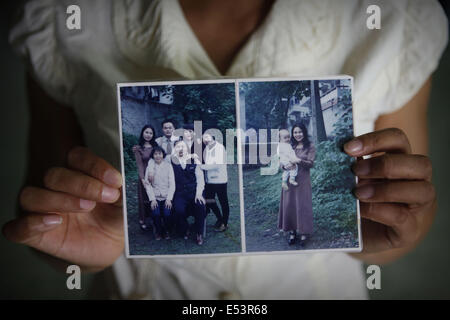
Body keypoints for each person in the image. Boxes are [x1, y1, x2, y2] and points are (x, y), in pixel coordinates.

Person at [4, 0, 447, 299]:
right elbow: (50, 220)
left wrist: (388, 230)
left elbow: (408, 207)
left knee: (255, 210)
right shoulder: (65, 17)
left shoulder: (396, 15)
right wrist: (71, 243)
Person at [278, 123, 315, 246]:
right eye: (295, 132)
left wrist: (298, 161)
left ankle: (304, 233)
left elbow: (310, 163)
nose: (297, 134)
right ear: (292, 134)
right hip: (289, 179)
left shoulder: (309, 146)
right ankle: (292, 232)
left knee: (302, 205)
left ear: (304, 132)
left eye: (300, 132)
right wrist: (284, 165)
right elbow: (281, 160)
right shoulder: (289, 145)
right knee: (290, 205)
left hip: (303, 179)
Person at [171, 140, 207, 245]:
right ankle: (185, 228)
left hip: (194, 192)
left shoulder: (194, 160)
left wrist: (199, 194)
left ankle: (199, 233)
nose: (181, 149)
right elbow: (157, 158)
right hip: (180, 193)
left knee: (200, 206)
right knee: (178, 210)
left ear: (187, 148)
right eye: (178, 147)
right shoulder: (171, 160)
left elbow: (200, 179)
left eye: (183, 146)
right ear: (174, 150)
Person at [144, 146, 175, 240]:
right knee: (156, 213)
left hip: (166, 196)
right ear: (153, 156)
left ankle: (166, 231)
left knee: (167, 214)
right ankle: (158, 231)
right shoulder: (150, 168)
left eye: (160, 154)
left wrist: (169, 199)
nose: (158, 156)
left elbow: (172, 184)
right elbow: (148, 185)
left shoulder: (168, 166)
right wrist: (152, 199)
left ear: (163, 155)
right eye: (155, 154)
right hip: (155, 197)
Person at [201, 131, 229, 232]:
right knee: (209, 200)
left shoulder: (220, 147)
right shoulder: (207, 148)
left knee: (223, 202)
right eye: (204, 138)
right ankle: (219, 219)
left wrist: (201, 167)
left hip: (220, 180)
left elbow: (216, 164)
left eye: (207, 137)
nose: (205, 139)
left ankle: (224, 223)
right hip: (209, 181)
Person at [133, 125, 157, 231]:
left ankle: (154, 218)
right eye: (146, 132)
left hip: (155, 176)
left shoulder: (155, 146)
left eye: (151, 133)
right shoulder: (138, 148)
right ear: (143, 133)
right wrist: (143, 179)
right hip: (144, 176)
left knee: (155, 197)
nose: (148, 135)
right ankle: (143, 219)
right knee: (144, 198)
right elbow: (139, 165)